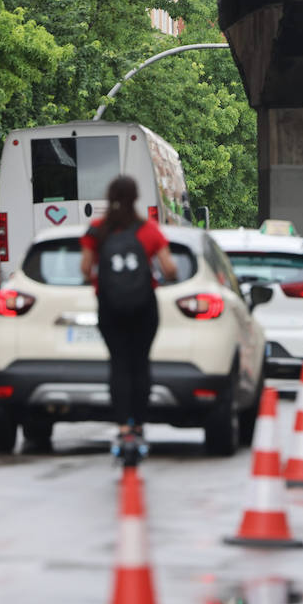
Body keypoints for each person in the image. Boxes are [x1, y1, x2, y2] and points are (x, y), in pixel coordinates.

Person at [79, 175, 178, 464]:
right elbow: (169, 268)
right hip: (144, 307)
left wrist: (99, 279)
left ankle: (122, 427)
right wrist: (164, 275)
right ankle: (139, 425)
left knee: (119, 364)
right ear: (136, 197)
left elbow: (86, 269)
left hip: (110, 308)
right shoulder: (148, 230)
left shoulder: (97, 231)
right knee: (141, 364)